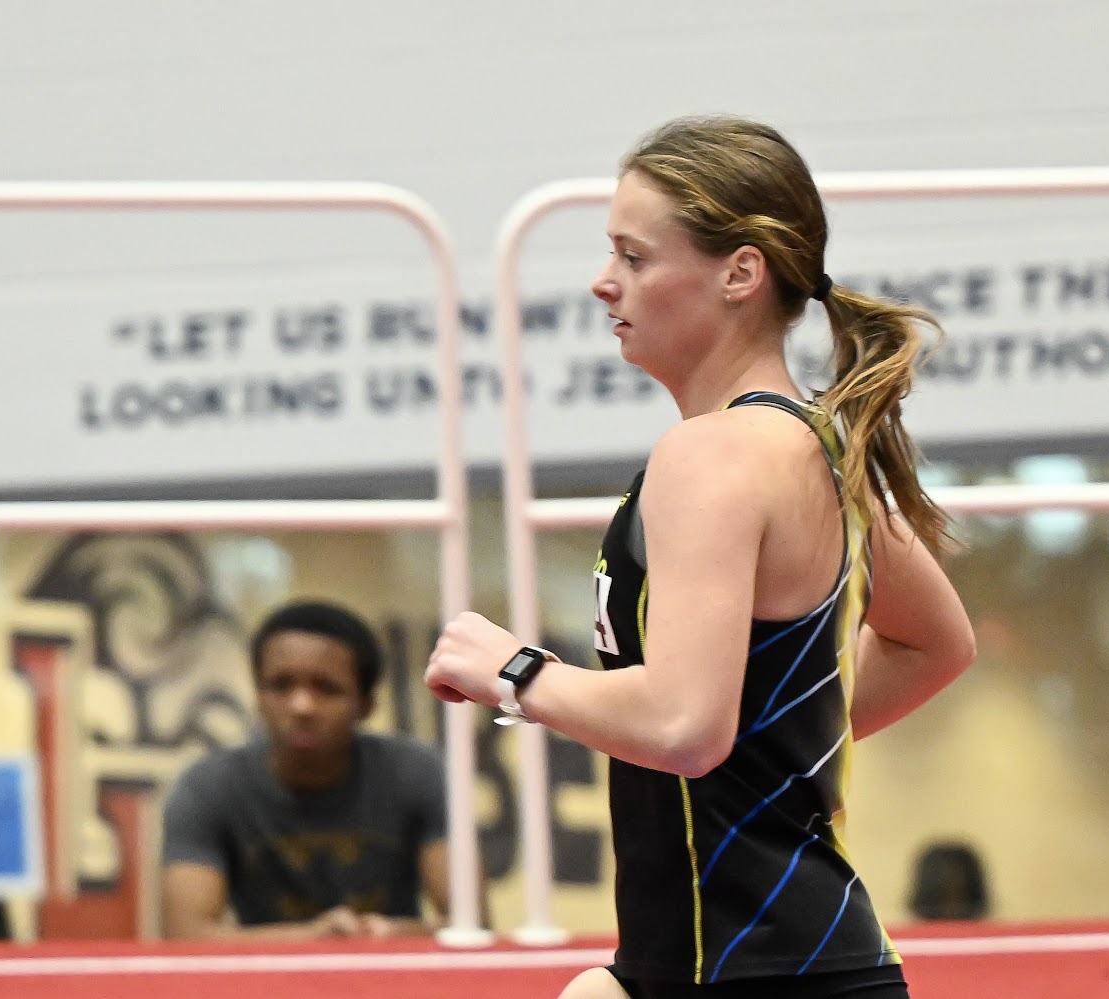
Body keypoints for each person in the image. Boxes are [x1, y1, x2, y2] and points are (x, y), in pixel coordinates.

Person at [426, 115, 977, 998]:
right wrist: (768, 749)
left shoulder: (710, 454)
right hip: (758, 960)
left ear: (740, 273)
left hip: (757, 968)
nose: (604, 282)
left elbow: (685, 726)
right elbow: (934, 644)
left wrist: (515, 671)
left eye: (634, 256)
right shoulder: (818, 446)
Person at [160, 600, 451, 940]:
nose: (302, 706)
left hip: (393, 971)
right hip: (268, 974)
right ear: (258, 696)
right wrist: (317, 938)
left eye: (327, 688)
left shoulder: (417, 773)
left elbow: (471, 924)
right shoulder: (208, 787)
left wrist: (388, 935)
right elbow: (186, 936)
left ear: (366, 705)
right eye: (281, 685)